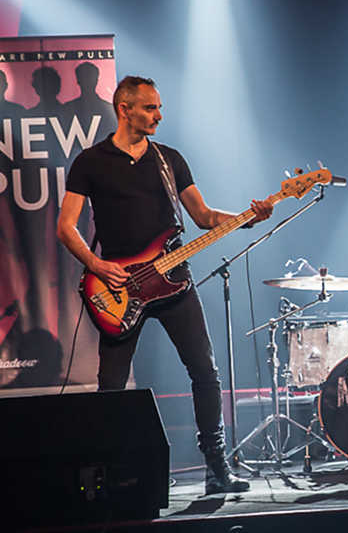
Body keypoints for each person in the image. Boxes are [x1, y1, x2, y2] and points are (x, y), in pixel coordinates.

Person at [57, 76, 273, 494]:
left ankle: (217, 468)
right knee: (111, 384)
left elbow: (204, 217)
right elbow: (66, 227)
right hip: (119, 288)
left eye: (159, 107)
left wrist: (248, 217)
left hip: (174, 281)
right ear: (124, 109)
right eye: (150, 107)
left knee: (205, 372)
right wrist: (97, 265)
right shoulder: (91, 161)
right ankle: (110, 473)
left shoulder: (169, 159)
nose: (159, 115)